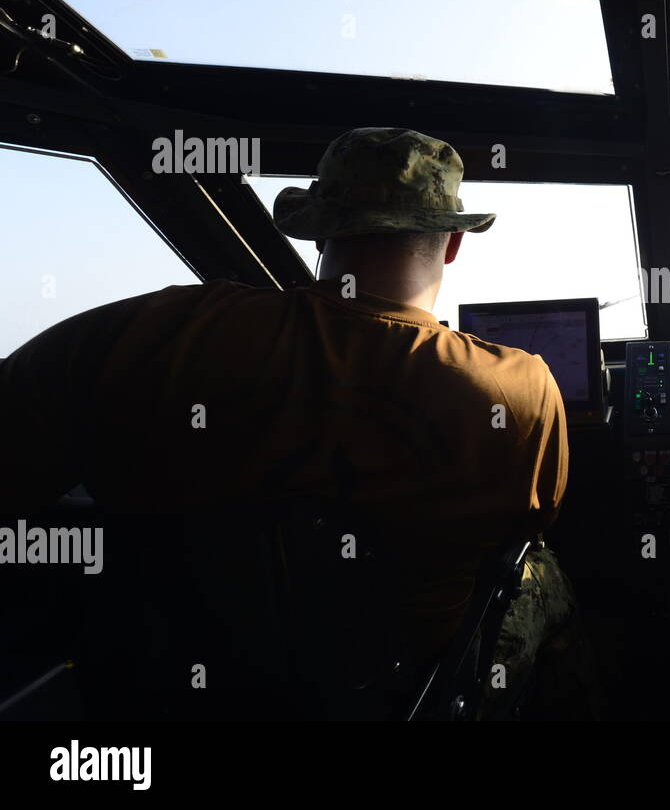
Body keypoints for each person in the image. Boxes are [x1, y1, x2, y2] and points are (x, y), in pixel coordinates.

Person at [0, 127, 581, 716]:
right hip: (398, 696)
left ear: (319, 231)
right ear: (453, 243)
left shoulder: (159, 330)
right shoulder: (519, 389)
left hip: (176, 688)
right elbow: (533, 517)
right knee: (543, 567)